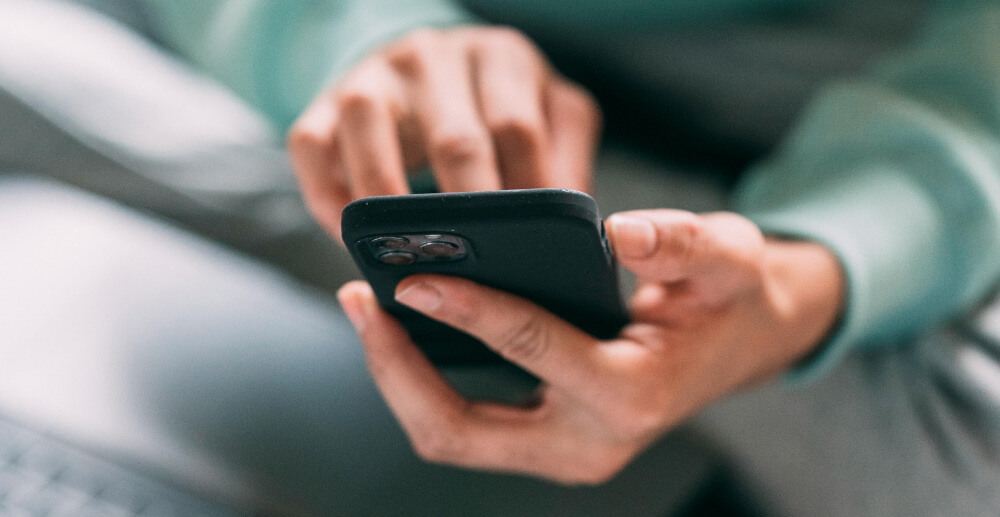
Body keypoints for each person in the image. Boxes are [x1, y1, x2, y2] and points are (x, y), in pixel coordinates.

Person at [5, 0, 999, 514]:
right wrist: (357, 40)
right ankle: (507, 218)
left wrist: (815, 274)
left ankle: (398, 208)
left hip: (838, 58)